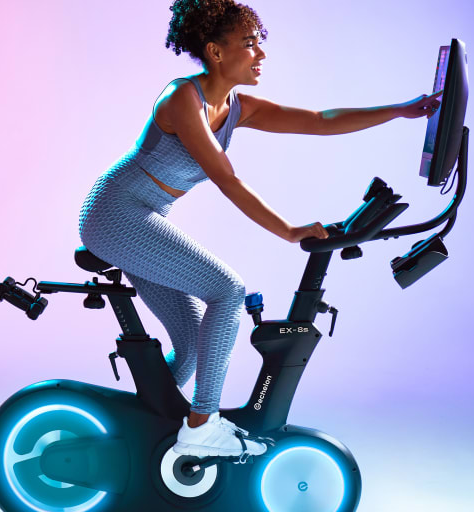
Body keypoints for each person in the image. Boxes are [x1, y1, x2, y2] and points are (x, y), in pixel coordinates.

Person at [78, 0, 441, 459]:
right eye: (249, 45)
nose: (261, 55)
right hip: (118, 215)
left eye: (259, 44)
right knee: (228, 291)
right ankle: (201, 424)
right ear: (214, 50)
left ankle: (128, 436)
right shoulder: (181, 99)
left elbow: (319, 121)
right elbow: (225, 177)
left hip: (141, 219)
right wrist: (289, 230)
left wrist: (400, 111)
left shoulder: (236, 106)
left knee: (189, 344)